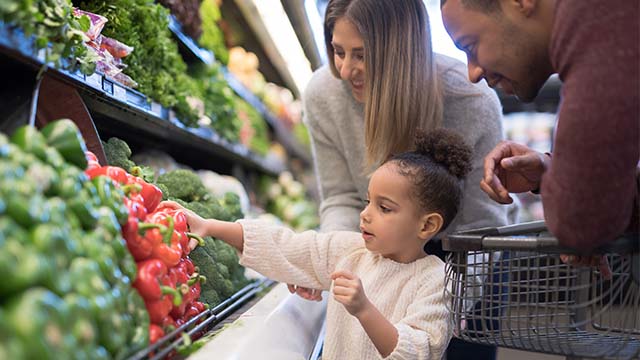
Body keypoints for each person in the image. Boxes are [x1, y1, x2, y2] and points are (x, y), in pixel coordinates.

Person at [300, 0, 517, 357]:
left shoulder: (470, 100)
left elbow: (481, 227)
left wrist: (440, 314)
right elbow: (341, 198)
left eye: (362, 55)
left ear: (400, 53)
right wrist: (331, 263)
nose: (344, 70)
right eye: (338, 51)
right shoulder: (323, 95)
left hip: (461, 258)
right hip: (380, 249)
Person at [162, 128, 471, 360]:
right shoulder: (351, 252)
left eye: (384, 208)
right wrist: (211, 226)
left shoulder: (436, 281)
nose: (365, 214)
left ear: (427, 225)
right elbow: (287, 246)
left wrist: (364, 309)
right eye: (368, 202)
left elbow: (418, 351)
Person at [440, 0, 639, 251]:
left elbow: (581, 225)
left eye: (471, 46)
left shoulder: (599, 24)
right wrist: (551, 172)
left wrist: (575, 197)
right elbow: (596, 213)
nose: (473, 73)